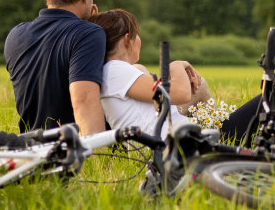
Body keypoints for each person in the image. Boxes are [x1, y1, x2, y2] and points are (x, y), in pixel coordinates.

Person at [86, 8, 263, 142]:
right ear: (127, 40)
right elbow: (180, 94)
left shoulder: (111, 71)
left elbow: (158, 101)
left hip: (177, 141)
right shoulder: (116, 70)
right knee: (273, 99)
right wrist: (176, 65)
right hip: (181, 145)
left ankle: (218, 127)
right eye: (137, 35)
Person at [4, 0, 108, 133]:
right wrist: (99, 158)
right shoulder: (89, 33)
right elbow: (83, 101)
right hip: (69, 150)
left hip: (31, 147)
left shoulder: (16, 35)